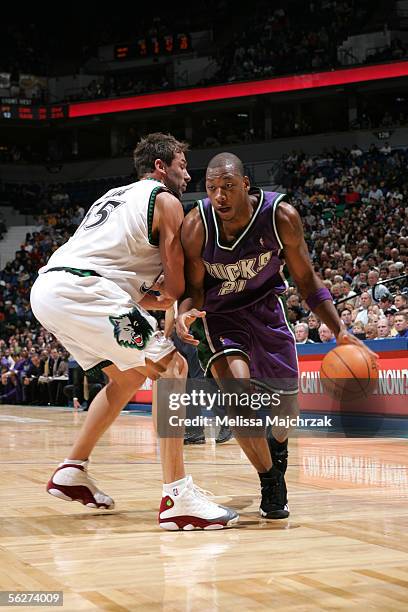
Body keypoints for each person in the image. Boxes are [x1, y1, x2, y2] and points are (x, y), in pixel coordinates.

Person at [30, 133, 238, 531]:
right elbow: (174, 286)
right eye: (181, 164)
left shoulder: (114, 196)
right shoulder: (166, 200)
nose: (186, 172)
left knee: (125, 379)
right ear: (161, 167)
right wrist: (191, 296)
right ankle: (178, 497)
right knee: (172, 368)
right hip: (85, 290)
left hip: (52, 290)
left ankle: (72, 470)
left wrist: (165, 301)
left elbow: (136, 289)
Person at [176, 152, 374, 520]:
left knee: (285, 411)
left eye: (228, 187)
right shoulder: (195, 226)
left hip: (267, 311)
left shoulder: (281, 217)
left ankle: (277, 450)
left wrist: (339, 329)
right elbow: (193, 288)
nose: (219, 195)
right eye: (212, 188)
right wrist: (184, 312)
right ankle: (270, 480)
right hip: (220, 318)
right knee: (239, 398)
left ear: (246, 186)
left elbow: (306, 278)